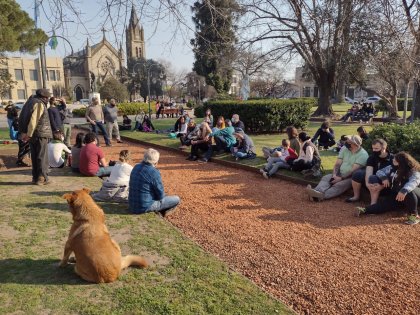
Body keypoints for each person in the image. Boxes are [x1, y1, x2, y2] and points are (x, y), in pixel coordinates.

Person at [356, 152, 420, 225]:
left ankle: (414, 216)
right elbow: (379, 172)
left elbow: (414, 182)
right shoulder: (392, 168)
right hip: (398, 196)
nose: (393, 161)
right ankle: (364, 210)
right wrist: (384, 178)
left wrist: (404, 190)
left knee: (408, 191)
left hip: (413, 195)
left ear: (401, 163)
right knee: (384, 205)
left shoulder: (413, 171)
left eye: (395, 161)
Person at [306, 135, 368, 201]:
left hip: (350, 177)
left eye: (349, 142)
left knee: (339, 185)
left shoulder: (363, 155)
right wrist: (334, 175)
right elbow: (337, 164)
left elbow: (352, 171)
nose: (346, 143)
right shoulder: (345, 148)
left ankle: (321, 196)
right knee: (326, 178)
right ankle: (316, 192)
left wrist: (341, 178)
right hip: (339, 173)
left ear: (355, 144)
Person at [129, 148, 180, 216]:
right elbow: (160, 196)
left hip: (132, 204)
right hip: (144, 206)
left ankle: (160, 211)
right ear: (156, 161)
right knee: (177, 199)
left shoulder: (136, 166)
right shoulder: (154, 172)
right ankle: (162, 213)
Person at [18, 89, 53, 185]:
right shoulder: (39, 103)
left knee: (35, 156)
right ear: (44, 97)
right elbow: (34, 120)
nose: (48, 100)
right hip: (40, 134)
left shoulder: (29, 102)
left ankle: (35, 177)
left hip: (34, 134)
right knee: (42, 157)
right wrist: (28, 134)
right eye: (47, 98)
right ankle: (42, 178)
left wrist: (25, 133)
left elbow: (22, 118)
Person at [346, 139, 393, 203]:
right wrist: (368, 185)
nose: (374, 150)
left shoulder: (393, 158)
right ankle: (356, 196)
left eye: (376, 148)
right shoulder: (372, 157)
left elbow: (394, 176)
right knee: (358, 174)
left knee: (373, 178)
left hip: (387, 183)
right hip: (373, 181)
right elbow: (369, 172)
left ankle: (373, 204)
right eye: (373, 148)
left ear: (384, 148)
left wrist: (381, 186)